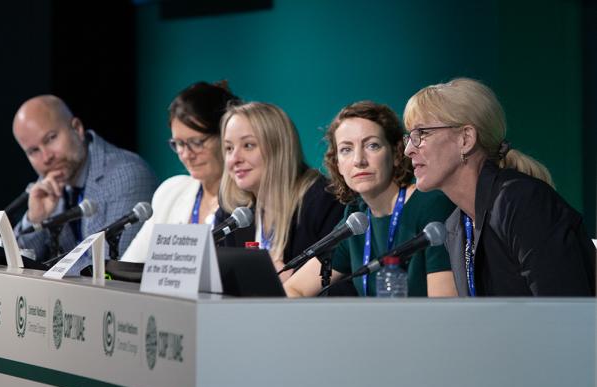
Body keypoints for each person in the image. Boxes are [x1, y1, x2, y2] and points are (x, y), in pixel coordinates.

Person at [403, 77, 595, 296]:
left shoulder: (522, 202)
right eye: (409, 136)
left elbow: (564, 317)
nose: (409, 149)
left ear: (465, 139)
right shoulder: (454, 226)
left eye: (422, 133)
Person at [284, 101, 457, 297]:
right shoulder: (357, 219)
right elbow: (294, 288)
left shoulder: (431, 205)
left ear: (397, 154)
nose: (359, 160)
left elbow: (444, 305)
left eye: (372, 145)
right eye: (346, 149)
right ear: (338, 164)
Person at [12, 95, 159, 267]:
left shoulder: (126, 175)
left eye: (51, 138)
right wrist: (35, 218)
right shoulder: (50, 183)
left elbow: (106, 269)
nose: (46, 157)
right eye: (33, 151)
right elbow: (14, 260)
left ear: (77, 128)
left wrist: (44, 276)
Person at [217, 102, 345, 281]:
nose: (234, 159)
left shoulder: (323, 202)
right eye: (229, 148)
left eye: (248, 145)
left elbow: (338, 286)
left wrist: (293, 282)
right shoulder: (231, 215)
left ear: (279, 148)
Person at [122, 81, 240, 262]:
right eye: (179, 144)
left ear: (226, 135)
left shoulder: (247, 202)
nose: (186, 154)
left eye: (196, 142)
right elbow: (130, 265)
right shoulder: (171, 192)